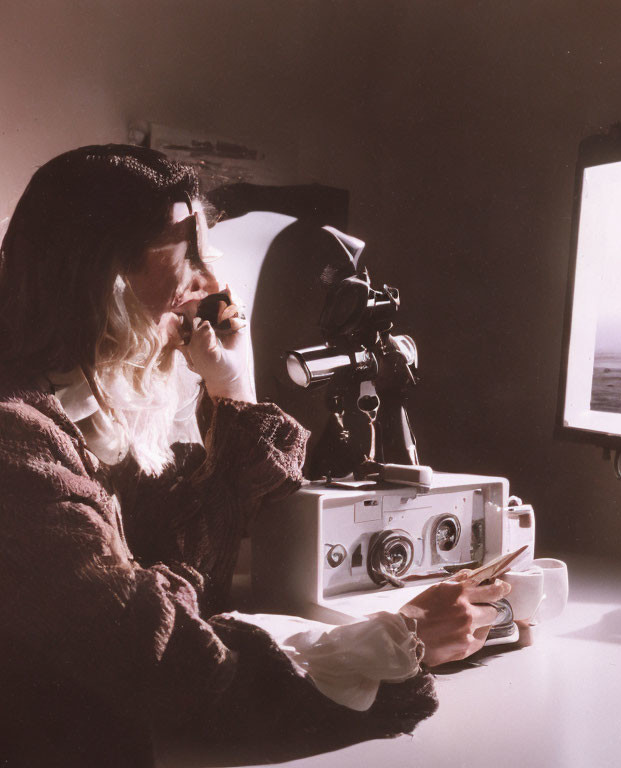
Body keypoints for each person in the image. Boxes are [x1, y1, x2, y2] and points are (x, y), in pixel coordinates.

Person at [0, 145, 510, 767]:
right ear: (105, 275)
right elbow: (173, 673)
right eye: (186, 254)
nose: (211, 283)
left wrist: (231, 385)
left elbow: (187, 564)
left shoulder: (67, 413)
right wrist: (396, 642)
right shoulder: (17, 444)